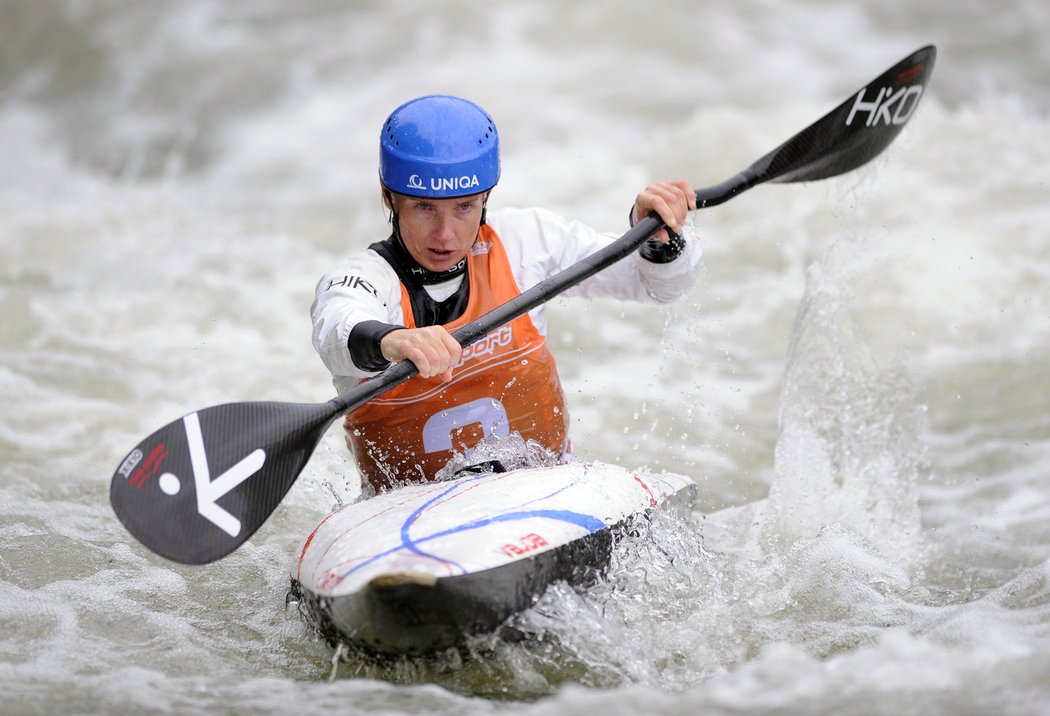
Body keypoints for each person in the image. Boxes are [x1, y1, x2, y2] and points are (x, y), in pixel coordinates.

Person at [311, 94, 701, 493]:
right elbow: (337, 329)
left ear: (486, 197)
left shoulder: (525, 242)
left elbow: (653, 285)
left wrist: (658, 242)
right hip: (409, 525)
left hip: (543, 496)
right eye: (424, 208)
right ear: (388, 196)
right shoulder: (365, 278)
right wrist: (393, 340)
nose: (445, 234)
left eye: (464, 207)